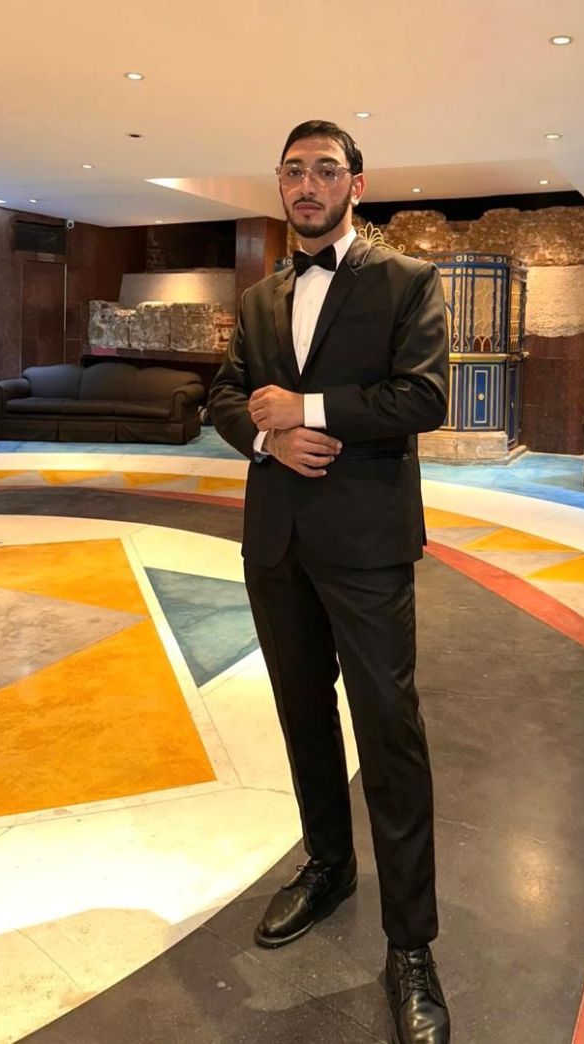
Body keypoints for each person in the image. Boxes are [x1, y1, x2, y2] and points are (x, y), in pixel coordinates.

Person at [207, 119, 450, 1044]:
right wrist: (265, 437)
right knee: (303, 714)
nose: (306, 185)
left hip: (366, 541)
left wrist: (304, 406)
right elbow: (227, 396)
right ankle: (327, 865)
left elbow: (422, 396)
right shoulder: (259, 296)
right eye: (292, 171)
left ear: (356, 183)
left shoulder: (406, 280)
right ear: (278, 184)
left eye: (324, 170)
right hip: (276, 542)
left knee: (388, 730)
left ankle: (411, 945)